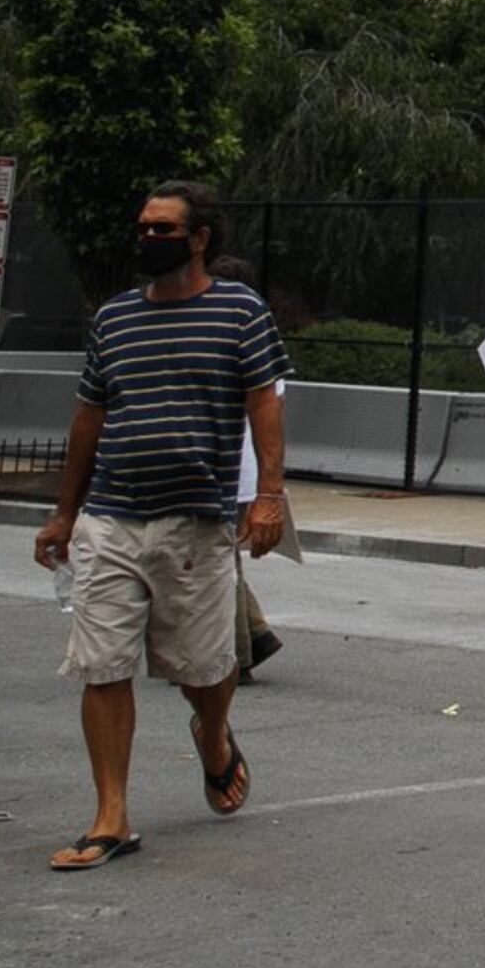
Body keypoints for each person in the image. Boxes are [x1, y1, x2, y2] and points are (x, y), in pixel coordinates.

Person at [31, 183, 291, 873]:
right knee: (102, 664)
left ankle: (212, 732)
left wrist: (268, 497)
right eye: (142, 226)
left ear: (200, 237)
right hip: (111, 517)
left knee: (206, 669)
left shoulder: (239, 310)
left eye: (163, 228)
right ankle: (110, 816)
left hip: (196, 521)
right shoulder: (114, 319)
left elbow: (264, 402)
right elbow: (89, 417)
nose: (147, 238)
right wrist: (64, 511)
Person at [206, 259, 285, 681]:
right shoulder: (258, 341)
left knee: (216, 564)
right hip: (242, 473)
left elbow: (268, 413)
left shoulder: (242, 343)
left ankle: (236, 653)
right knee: (221, 560)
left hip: (229, 472)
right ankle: (255, 633)